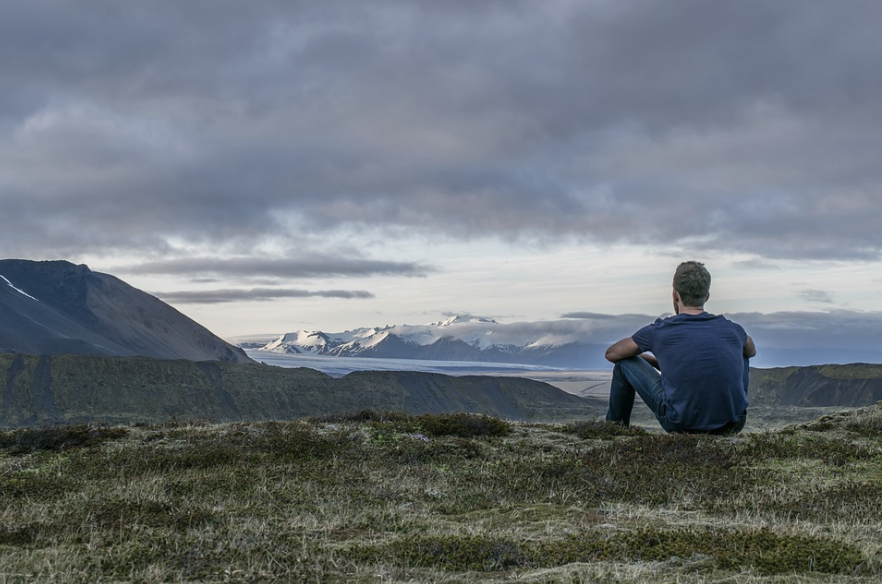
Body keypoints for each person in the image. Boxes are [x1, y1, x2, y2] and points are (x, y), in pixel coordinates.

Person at [604, 261, 756, 434]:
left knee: (624, 365)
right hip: (734, 424)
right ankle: (729, 414)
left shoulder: (660, 331)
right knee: (743, 354)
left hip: (680, 424)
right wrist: (660, 362)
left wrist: (640, 358)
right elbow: (751, 351)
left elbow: (612, 353)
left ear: (675, 294)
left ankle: (614, 431)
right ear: (706, 295)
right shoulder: (733, 329)